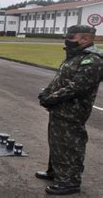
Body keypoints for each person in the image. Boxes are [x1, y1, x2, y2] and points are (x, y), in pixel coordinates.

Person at [36, 25, 103, 195]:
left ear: (86, 39)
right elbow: (60, 79)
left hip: (73, 111)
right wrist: (46, 92)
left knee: (70, 145)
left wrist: (50, 99)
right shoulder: (74, 56)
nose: (67, 40)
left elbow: (76, 87)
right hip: (60, 108)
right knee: (57, 142)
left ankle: (70, 182)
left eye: (72, 38)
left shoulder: (92, 60)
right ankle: (56, 173)